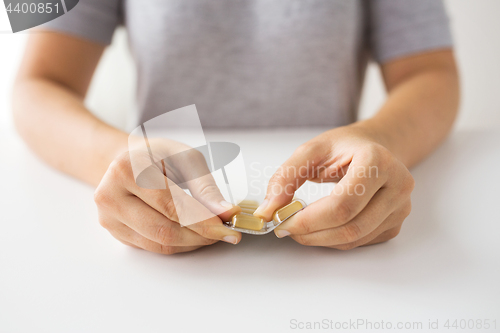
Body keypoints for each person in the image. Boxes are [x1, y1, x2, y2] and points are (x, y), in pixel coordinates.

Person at [12, 0, 459, 254]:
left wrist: (377, 140)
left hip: (338, 251)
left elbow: (432, 74)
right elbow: (37, 85)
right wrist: (119, 161)